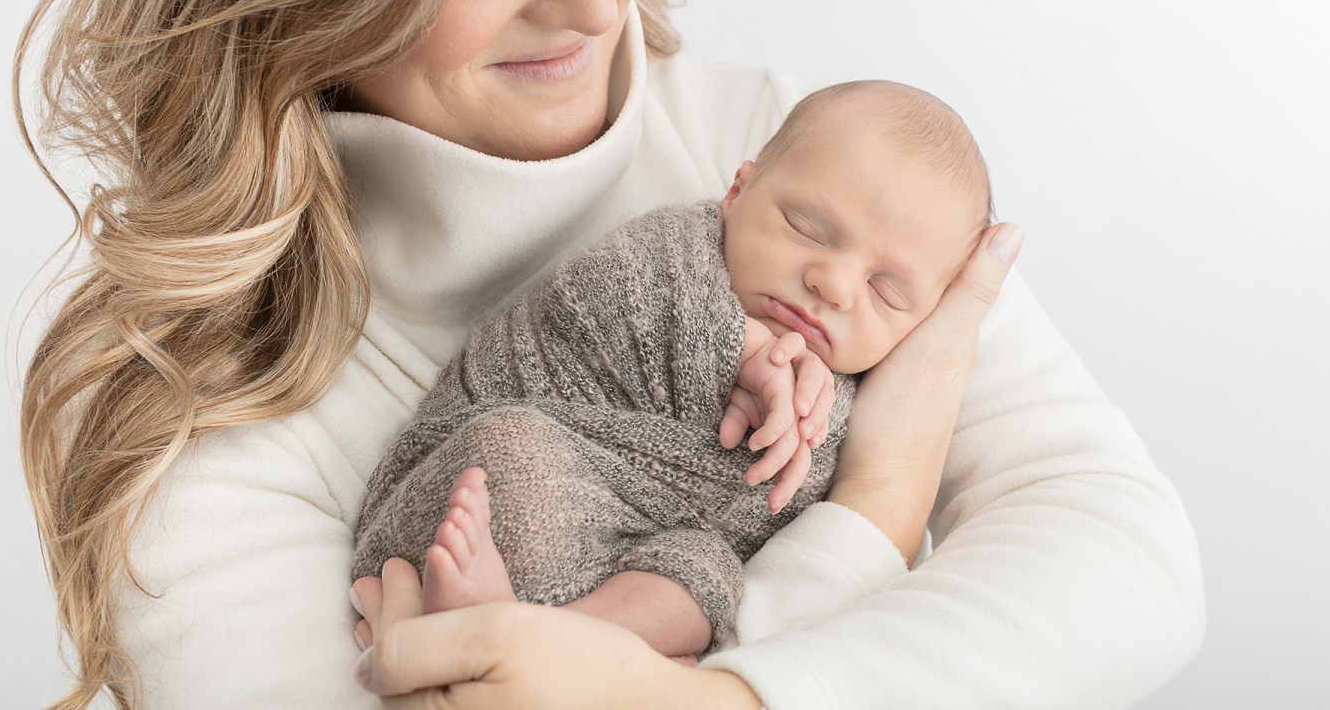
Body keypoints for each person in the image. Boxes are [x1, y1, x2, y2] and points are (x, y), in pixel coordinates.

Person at [15, 0, 1204, 708]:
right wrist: (877, 520)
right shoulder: (207, 428)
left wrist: (714, 699)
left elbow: (1132, 565)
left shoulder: (790, 157)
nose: (594, 2)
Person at [351, 80, 992, 659]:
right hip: (519, 461)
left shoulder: (859, 397)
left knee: (705, 579)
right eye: (806, 228)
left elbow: (783, 521)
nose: (834, 284)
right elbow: (591, 302)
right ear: (738, 193)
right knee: (514, 453)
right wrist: (742, 350)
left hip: (645, 549)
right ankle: (505, 630)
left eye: (886, 292)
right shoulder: (673, 253)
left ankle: (562, 646)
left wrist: (810, 425)